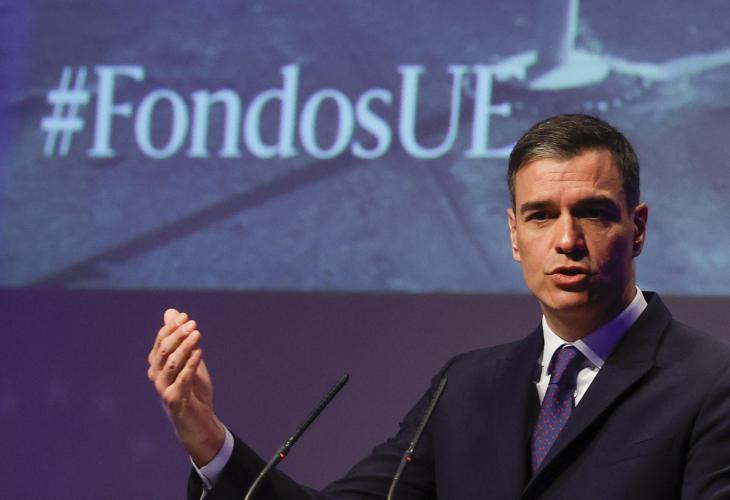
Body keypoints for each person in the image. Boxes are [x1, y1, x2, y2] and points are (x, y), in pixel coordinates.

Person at [147, 114, 730, 499]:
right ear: (514, 235)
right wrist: (207, 438)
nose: (567, 240)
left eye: (593, 213)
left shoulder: (710, 383)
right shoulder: (465, 386)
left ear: (638, 228)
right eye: (541, 216)